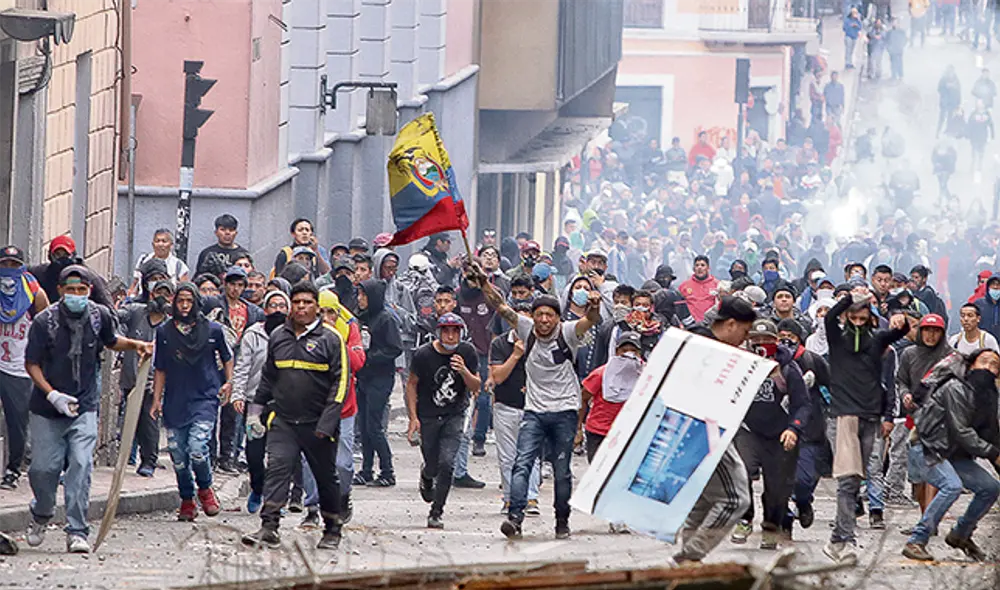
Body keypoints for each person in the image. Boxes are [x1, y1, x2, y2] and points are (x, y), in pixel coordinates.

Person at [24, 265, 153, 554]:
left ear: (89, 291)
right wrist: (52, 394)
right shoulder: (45, 322)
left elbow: (111, 341)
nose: (76, 295)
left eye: (81, 290)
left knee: (81, 464)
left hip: (84, 406)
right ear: (60, 291)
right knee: (44, 469)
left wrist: (136, 345)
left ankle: (77, 530)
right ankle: (42, 512)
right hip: (47, 408)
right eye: (70, 290)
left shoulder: (99, 316)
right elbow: (31, 363)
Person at [473, 260, 601, 540]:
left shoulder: (568, 332)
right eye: (539, 315)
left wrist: (594, 305)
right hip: (534, 411)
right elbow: (501, 306)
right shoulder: (526, 329)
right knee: (522, 464)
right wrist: (483, 283)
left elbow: (590, 321)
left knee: (561, 471)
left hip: (565, 411)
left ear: (558, 318)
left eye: (549, 315)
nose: (544, 320)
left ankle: (562, 521)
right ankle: (515, 518)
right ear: (532, 317)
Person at [241, 281, 347, 550]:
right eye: (297, 302)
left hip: (317, 424)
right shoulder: (278, 336)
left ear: (317, 307)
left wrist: (327, 423)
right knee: (277, 470)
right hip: (284, 421)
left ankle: (332, 529)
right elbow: (268, 378)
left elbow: (341, 384)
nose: (301, 307)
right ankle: (269, 527)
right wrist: (255, 413)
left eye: (307, 302)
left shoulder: (331, 339)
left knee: (325, 477)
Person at [822, 291, 908, 563]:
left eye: (863, 318)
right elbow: (830, 318)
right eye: (854, 318)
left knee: (859, 477)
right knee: (848, 480)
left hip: (871, 416)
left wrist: (900, 318)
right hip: (845, 416)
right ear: (847, 318)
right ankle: (845, 539)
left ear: (871, 319)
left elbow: (901, 331)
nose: (858, 323)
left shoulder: (877, 340)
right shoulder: (837, 339)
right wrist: (849, 298)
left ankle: (837, 539)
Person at [674, 296, 756, 564]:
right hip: (704, 432)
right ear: (730, 324)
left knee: (705, 500)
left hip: (704, 430)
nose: (745, 339)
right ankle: (690, 555)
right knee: (735, 499)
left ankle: (685, 562)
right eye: (744, 331)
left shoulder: (708, 344)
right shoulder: (703, 346)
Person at [903, 349, 1000, 562]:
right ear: (971, 365)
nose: (988, 368)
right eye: (984, 362)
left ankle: (961, 534)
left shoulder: (989, 396)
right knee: (951, 486)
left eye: (995, 365)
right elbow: (961, 431)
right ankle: (916, 541)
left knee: (990, 487)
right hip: (927, 448)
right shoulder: (956, 387)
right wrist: (993, 453)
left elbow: (992, 433)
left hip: (952, 454)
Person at [150, 282, 232, 521]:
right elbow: (160, 368)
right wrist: (156, 399)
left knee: (197, 448)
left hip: (205, 396)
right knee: (178, 455)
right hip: (176, 399)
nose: (185, 306)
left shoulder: (213, 330)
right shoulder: (165, 332)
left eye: (189, 301)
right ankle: (187, 499)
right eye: (180, 301)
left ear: (196, 302)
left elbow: (227, 357)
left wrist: (229, 382)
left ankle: (205, 489)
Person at [730, 319, 808, 550]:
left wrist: (793, 428)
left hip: (780, 434)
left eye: (767, 340)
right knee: (741, 472)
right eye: (756, 339)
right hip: (748, 430)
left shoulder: (788, 368)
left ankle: (771, 527)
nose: (761, 343)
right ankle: (745, 518)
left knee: (777, 487)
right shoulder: (739, 364)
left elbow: (802, 404)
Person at [406, 313, 481, 528]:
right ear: (439, 333)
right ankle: (426, 475)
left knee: (447, 463)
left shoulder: (467, 352)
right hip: (429, 414)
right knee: (432, 464)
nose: (450, 336)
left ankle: (437, 511)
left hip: (454, 414)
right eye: (446, 331)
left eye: (455, 331)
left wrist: (464, 370)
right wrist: (413, 417)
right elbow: (411, 384)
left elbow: (476, 386)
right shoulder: (423, 354)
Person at [231, 289, 290, 515]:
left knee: (280, 456)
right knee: (254, 454)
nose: (278, 310)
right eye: (273, 305)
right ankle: (257, 488)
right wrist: (237, 394)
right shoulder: (253, 335)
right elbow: (243, 366)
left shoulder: (293, 334)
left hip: (284, 404)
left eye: (282, 306)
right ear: (265, 309)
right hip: (255, 402)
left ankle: (275, 500)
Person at [204, 266, 264, 473]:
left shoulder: (253, 312)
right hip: (214, 361)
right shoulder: (214, 304)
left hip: (238, 363)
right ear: (225, 284)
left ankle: (227, 456)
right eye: (232, 284)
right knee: (211, 409)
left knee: (232, 413)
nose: (235, 289)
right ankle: (210, 455)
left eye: (240, 285)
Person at [0, 246, 48, 490]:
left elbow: (47, 324)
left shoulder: (34, 292)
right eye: (4, 264)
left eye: (14, 265)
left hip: (17, 367)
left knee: (17, 422)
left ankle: (13, 470)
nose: (9, 270)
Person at [489, 300, 542, 516]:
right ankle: (510, 498)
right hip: (505, 406)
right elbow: (497, 376)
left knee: (531, 454)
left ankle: (531, 497)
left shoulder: (541, 343)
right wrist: (515, 355)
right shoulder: (500, 344)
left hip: (533, 407)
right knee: (507, 456)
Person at [118, 279, 174, 477]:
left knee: (149, 420)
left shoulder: (170, 326)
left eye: (167, 294)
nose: (162, 298)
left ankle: (149, 460)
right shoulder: (136, 312)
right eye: (158, 293)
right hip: (130, 379)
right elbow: (117, 318)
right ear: (151, 294)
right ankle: (124, 458)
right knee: (128, 420)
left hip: (153, 383)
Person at [354, 279, 403, 487]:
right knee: (364, 426)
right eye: (359, 295)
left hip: (380, 378)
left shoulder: (385, 319)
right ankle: (366, 469)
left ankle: (387, 470)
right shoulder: (361, 318)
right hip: (363, 377)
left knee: (374, 426)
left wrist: (371, 357)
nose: (360, 299)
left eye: (364, 295)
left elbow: (395, 348)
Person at [130, 229, 190, 296]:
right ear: (153, 244)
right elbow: (135, 284)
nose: (160, 244)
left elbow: (184, 290)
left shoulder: (179, 266)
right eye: (157, 241)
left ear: (171, 244)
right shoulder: (143, 260)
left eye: (164, 241)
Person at [678, 255, 719, 323]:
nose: (699, 267)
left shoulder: (717, 285)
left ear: (708, 268)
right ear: (694, 268)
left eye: (702, 265)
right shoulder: (684, 286)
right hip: (690, 325)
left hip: (710, 324)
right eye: (697, 265)